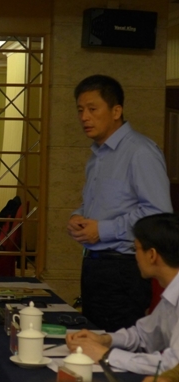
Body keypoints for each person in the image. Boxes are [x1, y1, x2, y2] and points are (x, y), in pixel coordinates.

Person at [67, 74, 173, 332]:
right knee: (94, 340)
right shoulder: (97, 155)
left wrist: (102, 230)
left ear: (116, 111)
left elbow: (158, 214)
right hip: (94, 264)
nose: (84, 117)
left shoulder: (140, 151)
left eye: (92, 109)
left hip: (123, 268)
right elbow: (98, 204)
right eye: (80, 110)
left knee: (115, 345)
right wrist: (78, 217)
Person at [66, 213, 179, 375]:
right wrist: (105, 340)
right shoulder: (171, 293)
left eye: (135, 249)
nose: (135, 257)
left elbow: (173, 365)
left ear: (152, 255)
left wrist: (106, 355)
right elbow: (143, 336)